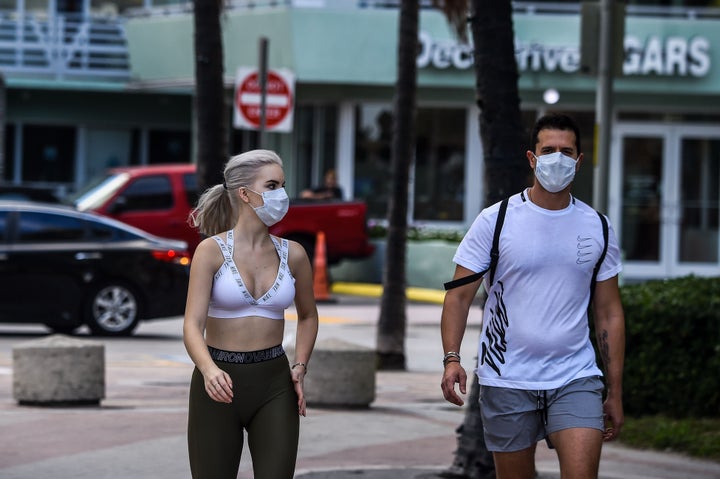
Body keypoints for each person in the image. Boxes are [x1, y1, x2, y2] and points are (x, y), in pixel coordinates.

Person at [440, 113, 625, 479]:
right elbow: (459, 298)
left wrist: (615, 390)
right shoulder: (496, 220)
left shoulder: (598, 226)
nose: (557, 158)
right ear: (532, 157)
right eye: (549, 150)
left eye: (566, 151)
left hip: (576, 376)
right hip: (507, 379)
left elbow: (608, 312)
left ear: (579, 160)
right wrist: (451, 358)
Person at [183, 149, 319, 479]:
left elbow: (309, 316)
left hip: (275, 381)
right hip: (218, 382)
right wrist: (208, 370)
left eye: (283, 185)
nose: (282, 195)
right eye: (272, 185)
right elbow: (192, 323)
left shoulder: (295, 254)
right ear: (245, 193)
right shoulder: (210, 251)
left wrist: (300, 365)